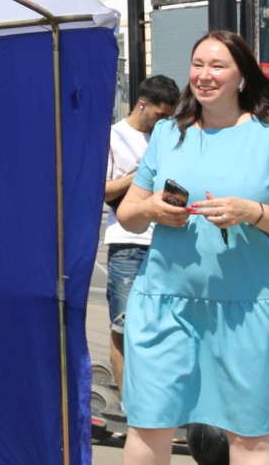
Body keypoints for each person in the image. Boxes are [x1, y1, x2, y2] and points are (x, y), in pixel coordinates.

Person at [117, 31, 269, 465]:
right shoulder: (166, 133)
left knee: (250, 438)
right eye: (198, 64)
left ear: (242, 78)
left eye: (217, 66)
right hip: (166, 304)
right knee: (147, 426)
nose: (204, 75)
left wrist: (252, 212)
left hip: (250, 309)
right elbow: (127, 214)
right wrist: (153, 208)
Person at [103, 75, 179, 395]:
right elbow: (102, 189)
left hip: (163, 240)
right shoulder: (113, 137)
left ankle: (154, 398)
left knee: (163, 327)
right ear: (142, 104)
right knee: (124, 327)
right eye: (160, 116)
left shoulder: (166, 138)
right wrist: (139, 177)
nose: (163, 123)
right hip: (126, 243)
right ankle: (128, 403)